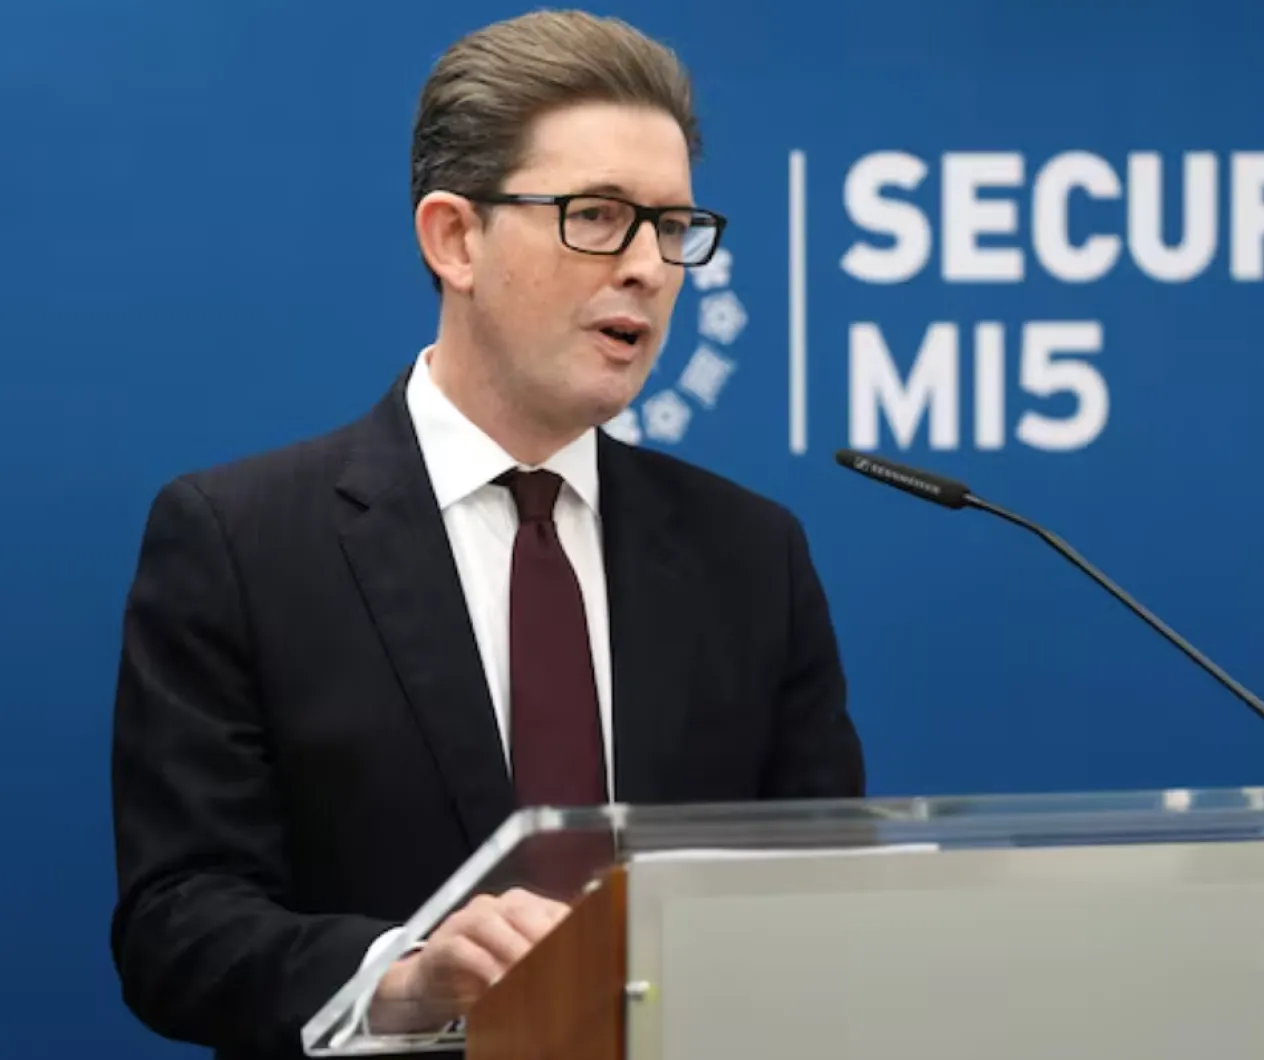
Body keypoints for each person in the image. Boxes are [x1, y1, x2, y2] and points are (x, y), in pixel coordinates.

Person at [108, 10, 865, 1059]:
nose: (648, 265)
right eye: (598, 215)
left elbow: (821, 893)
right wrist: (407, 981)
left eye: (674, 227)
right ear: (454, 238)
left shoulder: (752, 555)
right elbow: (177, 922)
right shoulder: (240, 541)